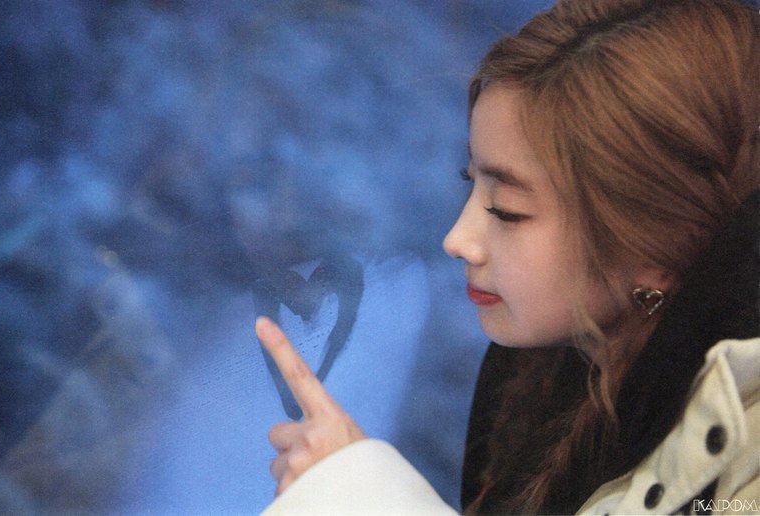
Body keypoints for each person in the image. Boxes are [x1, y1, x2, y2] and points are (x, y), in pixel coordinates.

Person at [254, 0, 760, 513]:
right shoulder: (540, 381)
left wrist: (373, 499)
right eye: (470, 183)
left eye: (507, 210)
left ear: (661, 244)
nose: (458, 240)